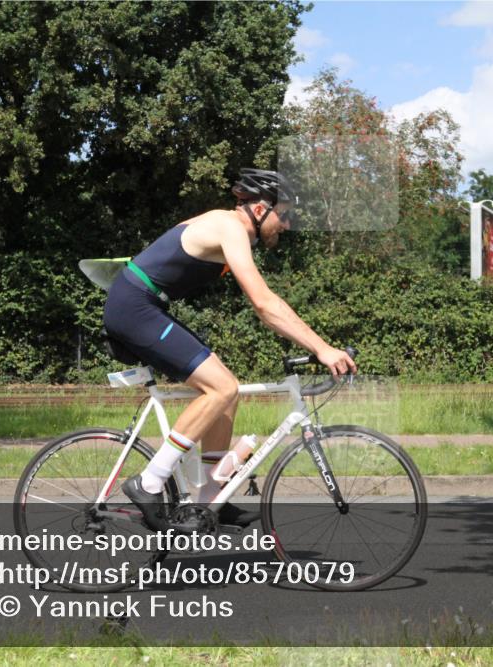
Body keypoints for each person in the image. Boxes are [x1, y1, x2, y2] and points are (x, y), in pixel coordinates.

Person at [102, 168, 357, 531]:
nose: (286, 225)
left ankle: (211, 498)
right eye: (284, 215)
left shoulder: (230, 228)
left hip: (144, 305)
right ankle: (149, 482)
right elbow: (264, 304)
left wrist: (314, 343)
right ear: (260, 210)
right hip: (134, 307)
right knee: (221, 387)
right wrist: (322, 348)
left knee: (227, 392)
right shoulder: (230, 228)